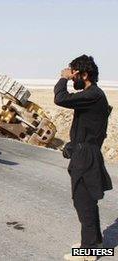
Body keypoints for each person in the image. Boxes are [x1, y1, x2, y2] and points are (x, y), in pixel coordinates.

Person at [54, 55, 113, 261]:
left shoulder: (94, 95)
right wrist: (72, 146)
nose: (72, 78)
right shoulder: (90, 94)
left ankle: (88, 252)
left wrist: (62, 79)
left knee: (83, 201)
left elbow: (60, 98)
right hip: (84, 151)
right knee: (86, 200)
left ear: (84, 75)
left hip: (86, 155)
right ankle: (94, 243)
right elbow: (84, 126)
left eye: (74, 75)